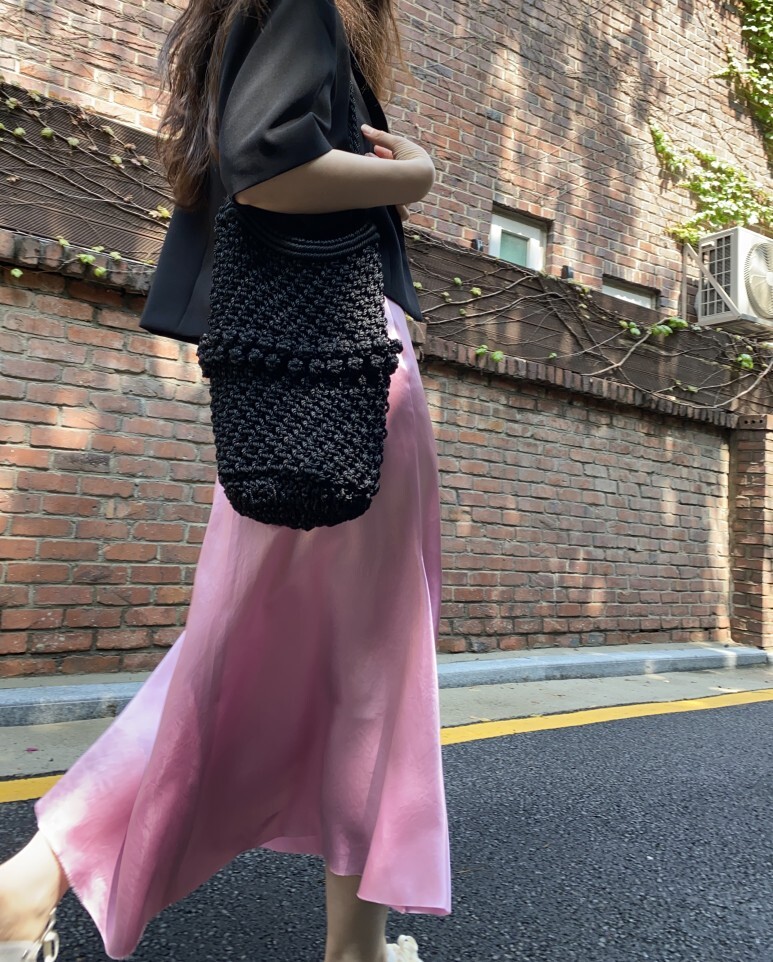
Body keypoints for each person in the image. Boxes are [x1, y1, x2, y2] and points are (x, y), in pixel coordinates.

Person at [0, 0, 451, 958]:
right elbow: (269, 166)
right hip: (343, 373)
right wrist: (411, 175)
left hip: (301, 377)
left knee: (252, 647)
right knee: (365, 660)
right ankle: (353, 948)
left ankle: (30, 888)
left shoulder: (254, 15)